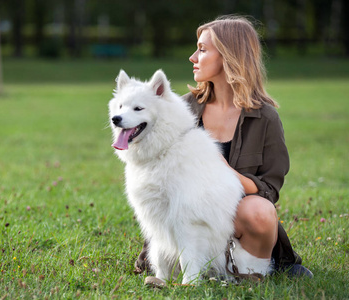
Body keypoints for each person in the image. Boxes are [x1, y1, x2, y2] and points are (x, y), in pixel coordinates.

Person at [134, 15, 313, 278]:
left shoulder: (266, 118)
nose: (192, 57)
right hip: (185, 224)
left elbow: (269, 189)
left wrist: (224, 170)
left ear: (230, 56)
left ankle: (250, 272)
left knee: (259, 209)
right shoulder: (179, 110)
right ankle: (184, 268)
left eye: (202, 49)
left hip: (235, 224)